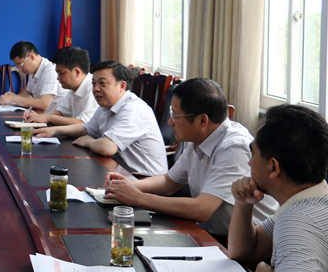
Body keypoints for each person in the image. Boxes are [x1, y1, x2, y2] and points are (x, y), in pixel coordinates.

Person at [102, 78, 277, 238]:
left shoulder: (235, 148)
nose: (170, 122)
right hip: (209, 233)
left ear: (202, 121)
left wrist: (137, 198)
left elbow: (202, 209)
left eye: (175, 116)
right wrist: (127, 186)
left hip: (247, 243)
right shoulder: (199, 138)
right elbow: (168, 182)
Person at [228, 104, 328, 272]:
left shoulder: (300, 220)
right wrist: (243, 203)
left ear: (273, 167)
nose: (249, 162)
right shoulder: (312, 200)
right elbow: (243, 251)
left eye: (253, 153)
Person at [35, 60, 167, 176]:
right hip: (119, 171)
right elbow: (86, 128)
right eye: (93, 83)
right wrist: (55, 130)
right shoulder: (106, 105)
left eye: (102, 83)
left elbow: (106, 147)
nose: (96, 89)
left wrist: (89, 142)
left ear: (122, 86)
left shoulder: (133, 110)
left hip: (145, 180)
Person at [24, 46, 98, 126]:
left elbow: (84, 123)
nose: (58, 78)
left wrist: (49, 118)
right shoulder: (73, 88)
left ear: (77, 72)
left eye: (61, 73)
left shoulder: (93, 88)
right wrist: (39, 117)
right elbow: (61, 111)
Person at [0, 41, 65, 112]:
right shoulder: (33, 70)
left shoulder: (50, 70)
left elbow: (44, 104)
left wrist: (14, 98)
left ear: (32, 57)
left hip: (58, 116)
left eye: (20, 65)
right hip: (43, 115)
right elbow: (28, 93)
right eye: (17, 66)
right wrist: (13, 97)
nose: (20, 69)